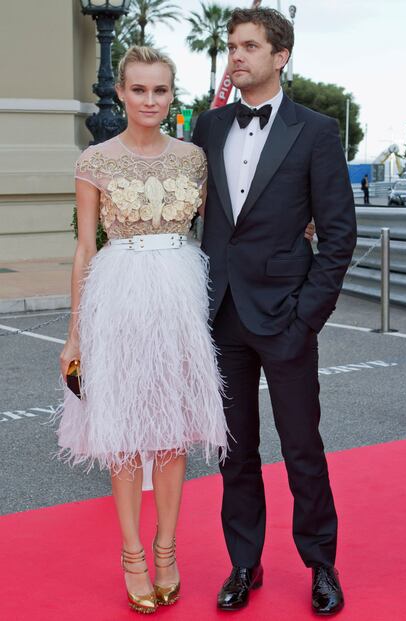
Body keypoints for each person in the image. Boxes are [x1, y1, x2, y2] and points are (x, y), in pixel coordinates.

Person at [192, 7, 356, 616]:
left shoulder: (314, 132)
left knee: (301, 448)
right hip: (222, 315)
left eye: (249, 46)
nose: (236, 56)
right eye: (232, 45)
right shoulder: (208, 130)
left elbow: (339, 234)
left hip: (286, 316)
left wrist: (307, 315)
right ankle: (244, 562)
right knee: (234, 452)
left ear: (280, 55)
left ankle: (321, 564)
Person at [57, 46, 230, 615]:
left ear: (171, 94)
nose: (149, 100)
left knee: (172, 434)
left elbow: (221, 229)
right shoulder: (96, 160)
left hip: (179, 297)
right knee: (125, 435)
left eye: (159, 90)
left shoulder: (194, 159)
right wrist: (74, 336)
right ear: (122, 93)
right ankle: (132, 554)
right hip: (119, 295)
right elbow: (85, 249)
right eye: (138, 90)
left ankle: (166, 550)